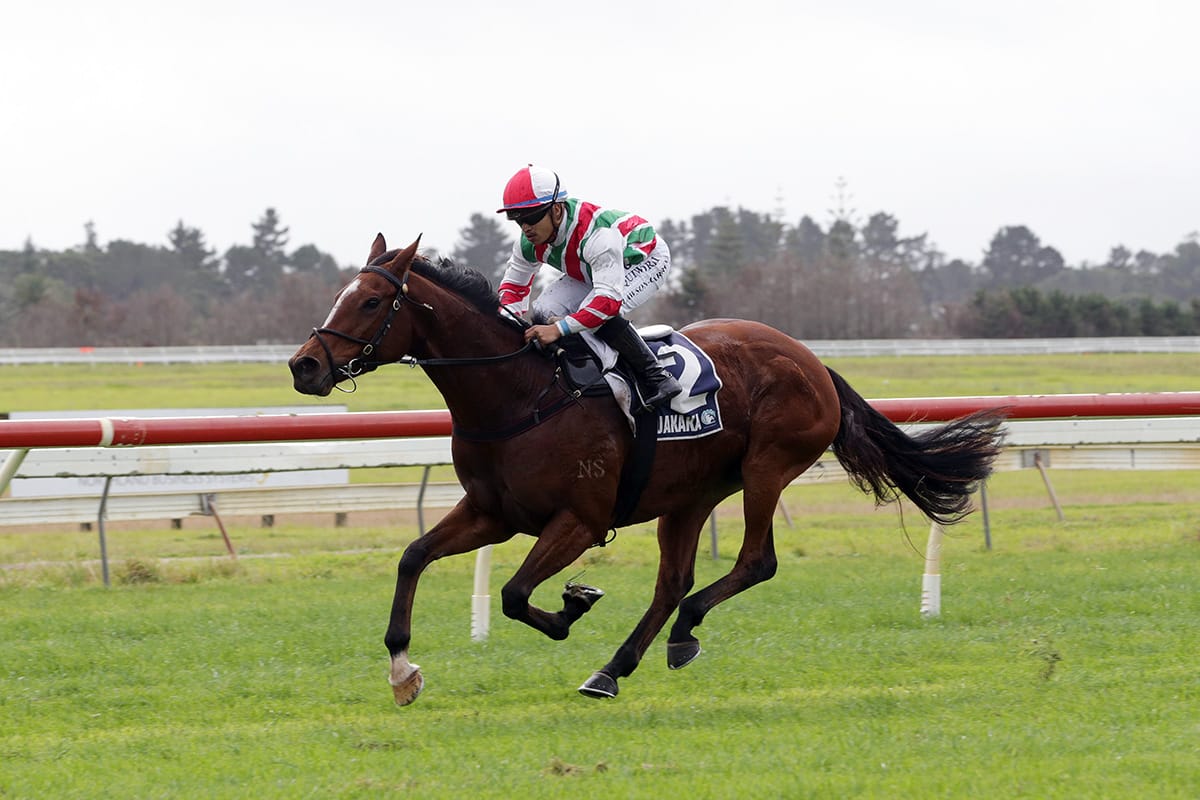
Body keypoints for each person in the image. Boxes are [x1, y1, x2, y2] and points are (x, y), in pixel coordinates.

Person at [495, 165, 682, 411]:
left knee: (594, 313)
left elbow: (607, 303)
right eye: (517, 219)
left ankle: (657, 377)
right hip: (594, 268)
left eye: (531, 217)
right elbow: (514, 289)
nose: (525, 227)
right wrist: (507, 329)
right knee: (543, 309)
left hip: (645, 260)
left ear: (557, 210)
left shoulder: (598, 235)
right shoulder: (527, 242)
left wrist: (558, 329)